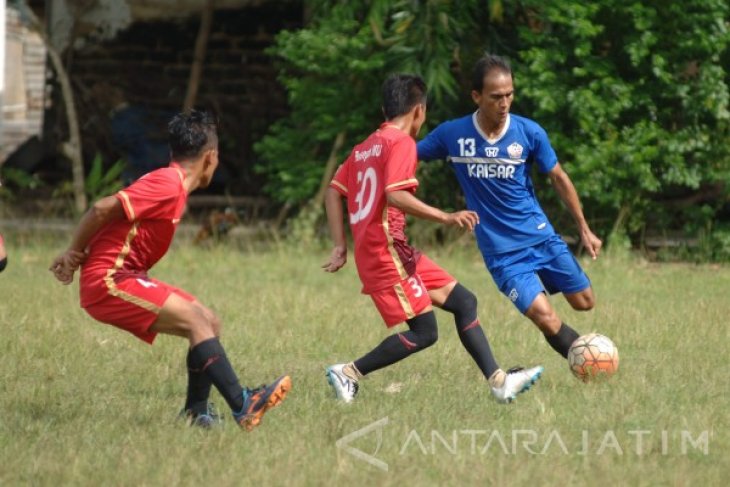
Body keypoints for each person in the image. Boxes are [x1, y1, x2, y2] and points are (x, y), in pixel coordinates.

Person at [49, 109, 291, 429]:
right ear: (211, 157)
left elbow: (115, 222)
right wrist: (73, 252)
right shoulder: (167, 183)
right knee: (194, 321)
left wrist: (83, 251)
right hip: (108, 281)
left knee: (207, 320)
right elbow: (101, 208)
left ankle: (196, 412)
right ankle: (243, 404)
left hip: (127, 276)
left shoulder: (172, 184)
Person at [322, 74, 543, 404]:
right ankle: (349, 372)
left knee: (464, 302)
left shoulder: (364, 148)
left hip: (391, 251)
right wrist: (446, 216)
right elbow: (395, 195)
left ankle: (499, 382)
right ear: (419, 110)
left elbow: (332, 191)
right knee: (425, 332)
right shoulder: (402, 143)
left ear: (386, 108)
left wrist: (340, 245)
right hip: (386, 253)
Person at [417, 54, 603, 367]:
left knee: (585, 302)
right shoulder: (453, 134)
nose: (505, 103)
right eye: (496, 97)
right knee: (545, 317)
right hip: (503, 254)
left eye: (509, 95)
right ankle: (590, 363)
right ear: (476, 96)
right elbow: (406, 155)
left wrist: (584, 227)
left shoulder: (530, 133)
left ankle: (589, 357)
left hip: (541, 238)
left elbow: (558, 177)